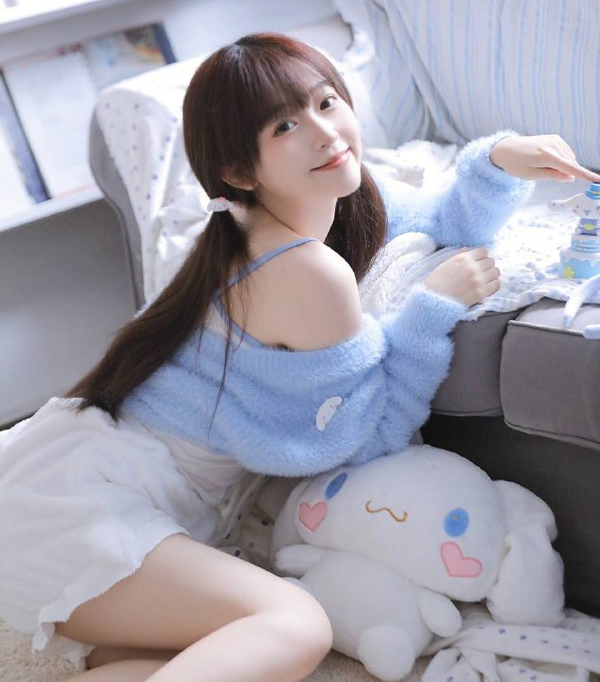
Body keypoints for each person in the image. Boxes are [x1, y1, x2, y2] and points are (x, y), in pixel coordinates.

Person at [0, 33, 598, 682]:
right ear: (239, 171)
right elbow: (367, 439)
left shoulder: (312, 209)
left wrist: (497, 161)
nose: (324, 132)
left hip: (78, 474)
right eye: (285, 125)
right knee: (296, 627)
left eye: (326, 102)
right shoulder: (301, 270)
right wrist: (431, 309)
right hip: (81, 508)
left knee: (175, 663)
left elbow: (443, 220)